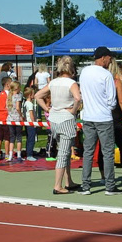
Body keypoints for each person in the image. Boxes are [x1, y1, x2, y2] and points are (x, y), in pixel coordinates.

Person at [35, 56, 82, 195]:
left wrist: (48, 109)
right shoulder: (72, 83)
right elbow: (78, 98)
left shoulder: (53, 82)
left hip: (54, 119)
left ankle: (68, 181)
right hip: (66, 119)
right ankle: (57, 185)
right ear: (71, 68)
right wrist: (73, 110)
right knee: (63, 153)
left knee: (64, 151)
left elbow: (38, 95)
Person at [78, 46, 121, 196]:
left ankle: (86, 186)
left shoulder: (84, 72)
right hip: (103, 117)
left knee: (88, 152)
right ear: (104, 58)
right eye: (109, 58)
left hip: (88, 117)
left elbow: (82, 93)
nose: (110, 61)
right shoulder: (106, 75)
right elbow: (112, 100)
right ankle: (110, 186)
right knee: (108, 152)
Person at [97, 59, 122, 184]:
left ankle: (103, 176)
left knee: (103, 148)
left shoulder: (100, 82)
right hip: (115, 118)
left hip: (102, 116)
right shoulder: (115, 82)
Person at [4, 81, 23, 162]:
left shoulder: (9, 96)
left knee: (12, 137)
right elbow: (18, 107)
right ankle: (19, 155)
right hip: (17, 119)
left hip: (10, 119)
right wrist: (21, 116)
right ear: (17, 88)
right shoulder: (18, 96)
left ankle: (10, 155)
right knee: (19, 137)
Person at [0, 76, 11, 160]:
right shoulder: (8, 94)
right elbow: (9, 106)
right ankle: (7, 154)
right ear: (7, 84)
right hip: (6, 118)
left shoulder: (0, 94)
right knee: (7, 137)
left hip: (0, 118)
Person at [22, 86, 38, 161]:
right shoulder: (30, 104)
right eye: (33, 94)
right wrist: (34, 122)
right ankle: (29, 154)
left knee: (29, 139)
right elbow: (31, 114)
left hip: (27, 123)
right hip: (30, 124)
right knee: (31, 139)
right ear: (29, 95)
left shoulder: (25, 103)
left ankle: (28, 152)